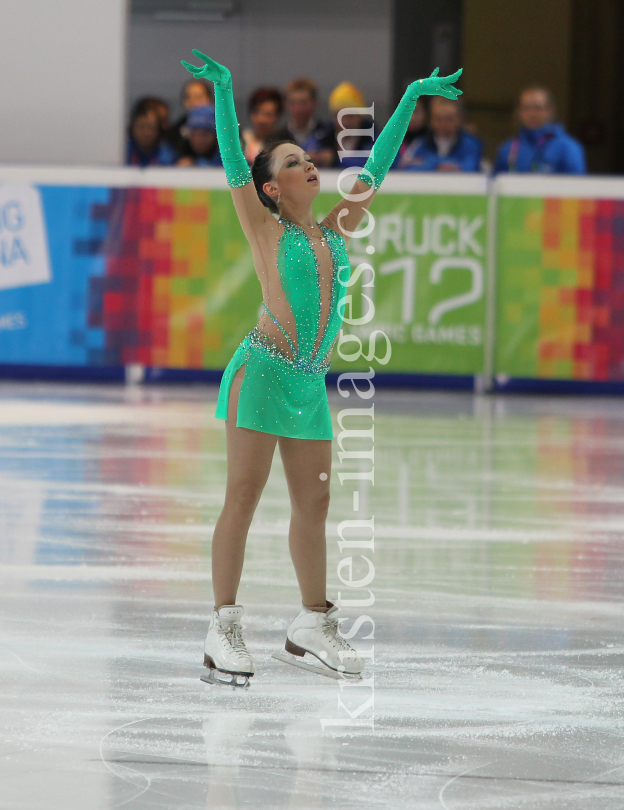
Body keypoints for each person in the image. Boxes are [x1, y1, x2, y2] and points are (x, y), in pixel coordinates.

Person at [180, 49, 462, 686]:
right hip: (261, 372)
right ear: (271, 188)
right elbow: (232, 162)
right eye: (290, 163)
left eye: (307, 158)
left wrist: (413, 97)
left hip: (307, 384)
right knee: (244, 497)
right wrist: (225, 90)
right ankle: (222, 624)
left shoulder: (335, 230)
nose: (308, 164)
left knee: (316, 501)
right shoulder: (264, 229)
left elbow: (377, 171)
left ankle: (310, 623)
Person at [494, 86, 585, 174]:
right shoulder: (507, 149)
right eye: (526, 108)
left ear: (549, 111)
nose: (532, 114)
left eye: (538, 108)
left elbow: (577, 186)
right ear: (519, 112)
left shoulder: (567, 148)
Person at [399, 95, 482, 172]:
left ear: (459, 119)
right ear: (431, 120)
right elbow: (405, 167)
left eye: (449, 119)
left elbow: (471, 167)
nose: (443, 124)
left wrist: (429, 164)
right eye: (438, 119)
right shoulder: (420, 144)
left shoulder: (472, 145)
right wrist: (437, 165)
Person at [316, 81, 378, 171]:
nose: (345, 122)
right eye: (340, 116)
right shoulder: (321, 139)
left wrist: (335, 160)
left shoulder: (375, 140)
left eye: (350, 116)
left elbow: (378, 164)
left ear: (360, 116)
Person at [274, 78, 331, 166]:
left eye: (303, 103)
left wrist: (329, 158)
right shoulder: (278, 137)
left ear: (314, 103)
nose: (298, 108)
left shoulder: (327, 134)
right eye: (293, 103)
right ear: (286, 105)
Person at [167, 78, 214, 155]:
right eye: (187, 97)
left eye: (198, 97)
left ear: (209, 99)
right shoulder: (175, 131)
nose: (192, 102)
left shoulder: (225, 128)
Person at [126, 98, 176, 167]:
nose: (146, 133)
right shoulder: (122, 151)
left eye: (151, 127)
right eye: (141, 127)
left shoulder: (167, 155)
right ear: (132, 128)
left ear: (158, 130)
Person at [241, 87, 284, 164]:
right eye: (257, 112)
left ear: (278, 117)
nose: (261, 119)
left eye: (268, 115)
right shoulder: (239, 140)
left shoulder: (283, 146)